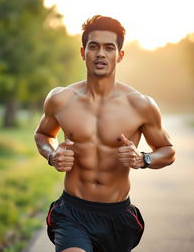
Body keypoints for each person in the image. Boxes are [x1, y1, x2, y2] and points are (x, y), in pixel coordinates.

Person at [34, 15, 175, 252]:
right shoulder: (60, 99)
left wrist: (144, 159)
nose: (101, 53)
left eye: (109, 47)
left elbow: (168, 150)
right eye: (94, 46)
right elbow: (42, 134)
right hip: (72, 212)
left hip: (117, 216)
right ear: (83, 52)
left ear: (119, 55)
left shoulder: (140, 105)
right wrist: (51, 155)